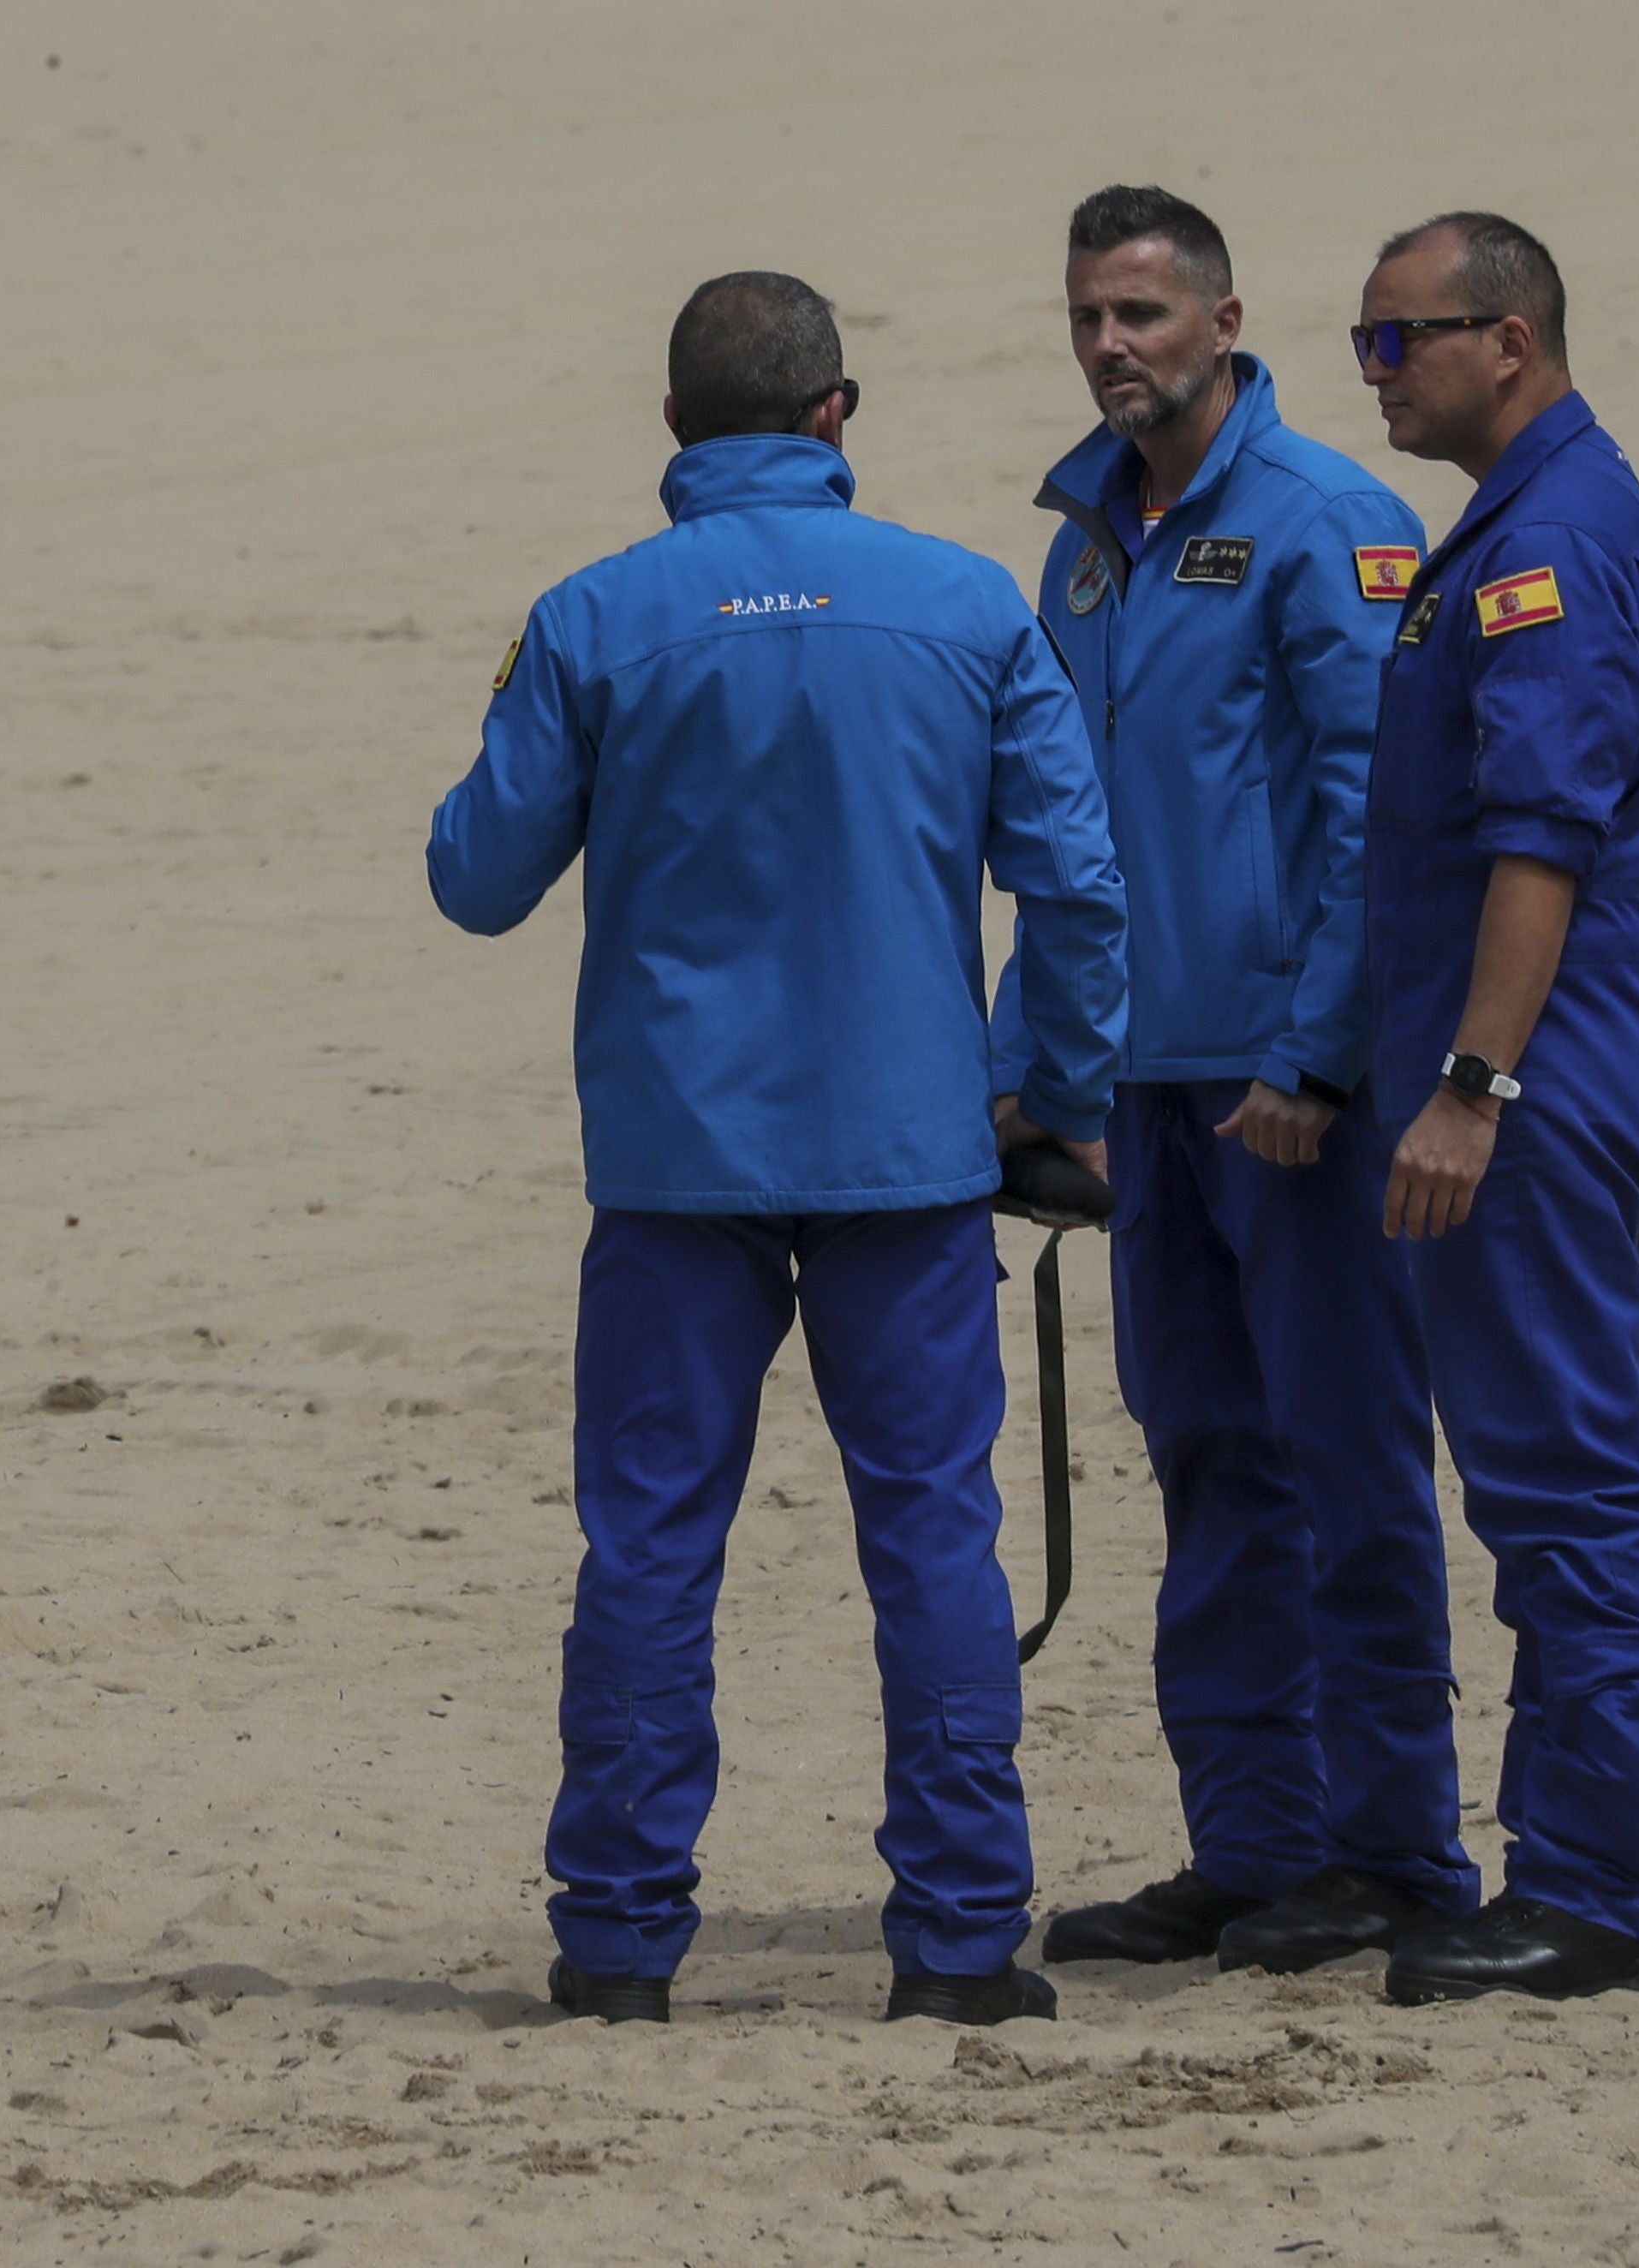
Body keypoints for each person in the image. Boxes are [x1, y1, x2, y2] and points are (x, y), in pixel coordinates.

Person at [427, 273, 1129, 2027]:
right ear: (837, 414)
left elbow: (474, 876)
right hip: (906, 1151)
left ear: (675, 431)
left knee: (652, 1544)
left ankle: (614, 1942)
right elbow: (1080, 883)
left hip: (677, 1164)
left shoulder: (597, 615)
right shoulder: (963, 604)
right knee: (932, 1541)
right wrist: (1049, 1081)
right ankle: (962, 1944)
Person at [1005, 188, 1475, 1978]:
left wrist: (1312, 1050)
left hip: (1294, 1100)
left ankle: (1397, 1849)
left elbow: (1380, 818)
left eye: (1139, 312)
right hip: (1145, 1092)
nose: (1110, 344)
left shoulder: (1322, 524)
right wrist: (1034, 1070)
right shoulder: (1081, 542)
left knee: (1344, 1460)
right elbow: (1059, 837)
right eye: (1086, 317)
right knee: (1204, 1458)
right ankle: (1255, 1841)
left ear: (1219, 320)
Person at [1355, 217, 1639, 2003]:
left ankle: (1599, 1896)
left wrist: (1473, 1087)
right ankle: (1569, 1870)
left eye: (1395, 340)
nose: (1377, 374)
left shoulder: (1546, 541)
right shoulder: (1514, 517)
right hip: (1528, 1049)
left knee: (1562, 1480)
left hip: (1539, 1063)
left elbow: (1539, 840)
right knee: (1535, 1476)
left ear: (1506, 338)